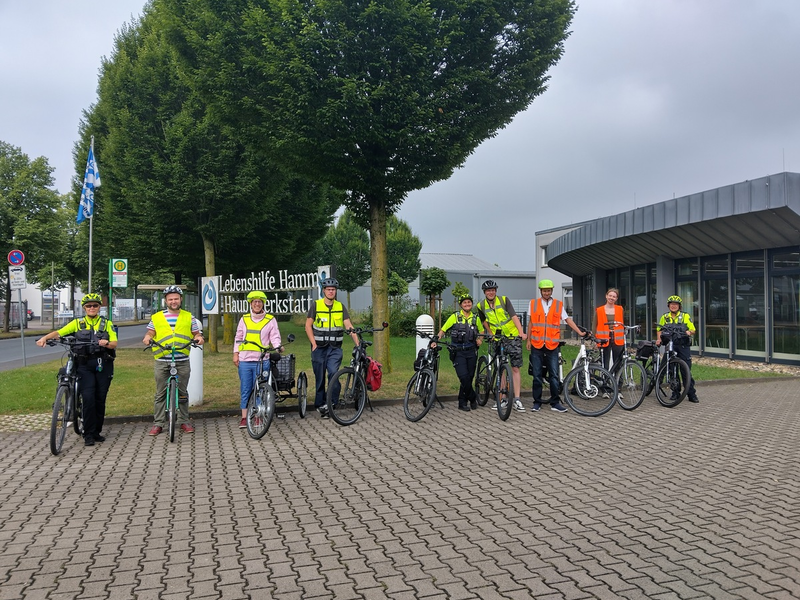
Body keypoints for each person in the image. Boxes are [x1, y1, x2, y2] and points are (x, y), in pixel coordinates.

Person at [36, 293, 117, 447]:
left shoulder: (107, 324)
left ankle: (96, 432)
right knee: (88, 398)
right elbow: (59, 332)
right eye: (88, 306)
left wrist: (106, 343)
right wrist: (45, 338)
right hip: (84, 365)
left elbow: (114, 343)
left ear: (99, 307)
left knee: (100, 398)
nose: (92, 308)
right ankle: (88, 434)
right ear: (84, 308)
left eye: (95, 305)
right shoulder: (77, 323)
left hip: (102, 364)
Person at [142, 285, 204, 435]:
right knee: (160, 394)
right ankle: (158, 423)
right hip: (162, 359)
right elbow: (149, 333)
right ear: (166, 301)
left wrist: (199, 338)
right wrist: (147, 339)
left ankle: (184, 421)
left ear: (181, 299)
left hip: (182, 359)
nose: (173, 301)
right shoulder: (156, 317)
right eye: (170, 299)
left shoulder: (190, 317)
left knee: (182, 392)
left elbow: (196, 334)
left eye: (176, 298)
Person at [526, 279, 585, 413]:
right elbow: (530, 323)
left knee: (554, 375)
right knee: (537, 375)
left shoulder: (558, 305)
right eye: (544, 291)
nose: (547, 293)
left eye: (549, 290)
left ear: (552, 291)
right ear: (541, 291)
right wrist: (528, 340)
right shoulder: (533, 304)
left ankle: (555, 402)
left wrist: (579, 332)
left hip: (552, 344)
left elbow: (567, 320)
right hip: (537, 344)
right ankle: (537, 402)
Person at [305, 278, 359, 418]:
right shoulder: (316, 305)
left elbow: (348, 325)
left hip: (334, 349)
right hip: (319, 349)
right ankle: (320, 404)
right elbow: (308, 326)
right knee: (320, 378)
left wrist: (357, 344)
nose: (331, 291)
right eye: (328, 289)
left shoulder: (340, 307)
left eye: (333, 289)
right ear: (323, 291)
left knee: (334, 374)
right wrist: (314, 344)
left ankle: (332, 405)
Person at [474, 280, 527, 412]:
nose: (491, 292)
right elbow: (483, 321)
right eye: (488, 291)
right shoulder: (481, 305)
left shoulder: (504, 300)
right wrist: (490, 333)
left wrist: (521, 332)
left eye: (493, 290)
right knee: (500, 368)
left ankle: (517, 399)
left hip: (512, 336)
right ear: (484, 292)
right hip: (497, 339)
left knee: (515, 368)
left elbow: (514, 317)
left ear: (496, 291)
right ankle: (503, 398)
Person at [233, 291, 283, 429]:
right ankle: (244, 418)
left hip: (262, 360)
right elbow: (238, 337)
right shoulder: (244, 319)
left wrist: (278, 346)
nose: (257, 304)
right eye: (254, 301)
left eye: (259, 301)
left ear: (263, 303)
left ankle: (258, 416)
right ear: (250, 303)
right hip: (245, 360)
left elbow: (275, 336)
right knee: (246, 389)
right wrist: (235, 353)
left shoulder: (270, 319)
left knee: (260, 389)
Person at [437, 294, 483, 411]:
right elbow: (443, 330)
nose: (467, 304)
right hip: (458, 353)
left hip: (471, 352)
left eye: (469, 302)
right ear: (461, 305)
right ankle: (473, 398)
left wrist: (480, 339)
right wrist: (435, 340)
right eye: (464, 302)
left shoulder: (475, 318)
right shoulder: (455, 317)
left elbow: (481, 331)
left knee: (469, 377)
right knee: (464, 377)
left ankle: (462, 402)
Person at [656, 295, 699, 403]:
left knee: (685, 370)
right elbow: (659, 329)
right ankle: (675, 392)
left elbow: (693, 329)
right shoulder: (665, 317)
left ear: (679, 306)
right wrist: (658, 339)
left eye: (676, 304)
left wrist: (689, 332)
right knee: (671, 369)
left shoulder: (685, 316)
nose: (673, 306)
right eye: (671, 304)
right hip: (670, 345)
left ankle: (691, 393)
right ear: (668, 305)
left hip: (683, 346)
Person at [594, 288, 625, 372]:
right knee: (604, 363)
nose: (612, 298)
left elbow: (622, 323)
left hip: (617, 338)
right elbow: (594, 325)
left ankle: (618, 382)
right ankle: (605, 381)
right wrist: (594, 339)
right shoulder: (599, 310)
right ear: (606, 296)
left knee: (618, 362)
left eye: (614, 296)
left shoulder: (620, 309)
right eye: (610, 295)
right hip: (604, 338)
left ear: (616, 298)